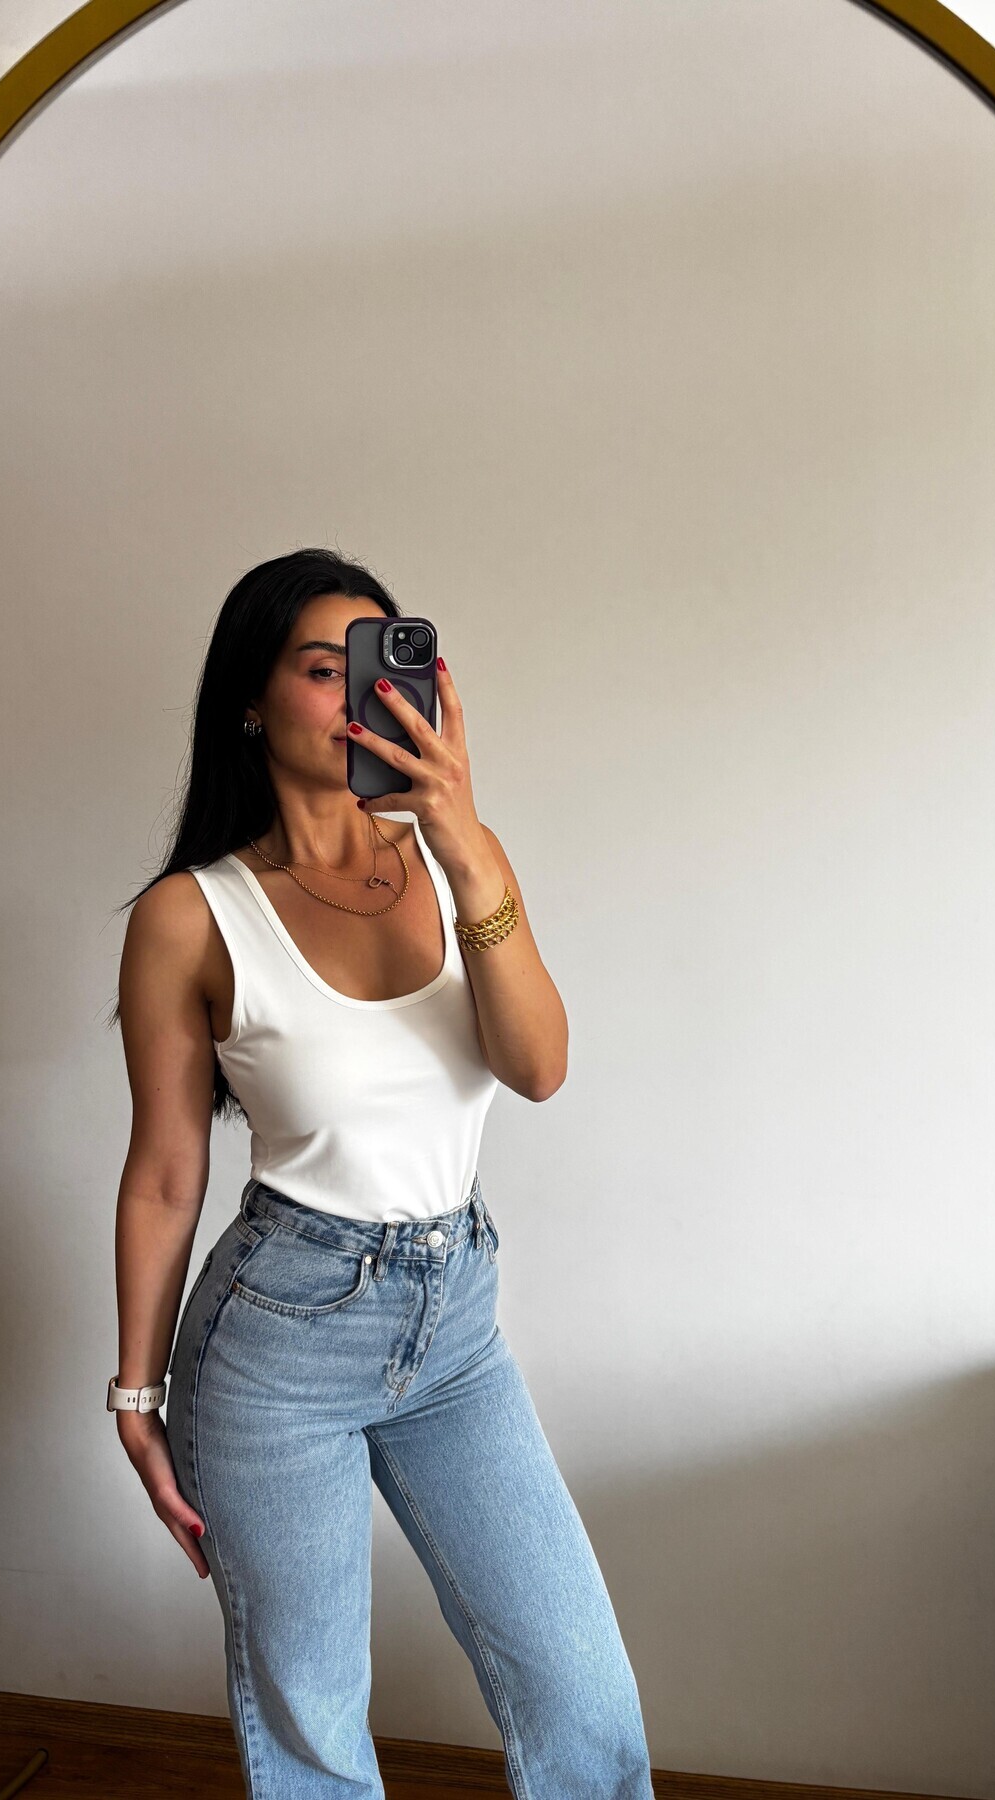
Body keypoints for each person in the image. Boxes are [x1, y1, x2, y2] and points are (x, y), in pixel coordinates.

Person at [107, 549, 655, 1798]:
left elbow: (540, 1067)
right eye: (322, 668)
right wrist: (137, 1397)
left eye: (378, 667)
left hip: (455, 1331)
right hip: (277, 1344)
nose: (360, 697)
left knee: (580, 1692)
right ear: (251, 700)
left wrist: (467, 849)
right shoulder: (192, 916)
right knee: (312, 1725)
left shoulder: (458, 861)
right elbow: (165, 1173)